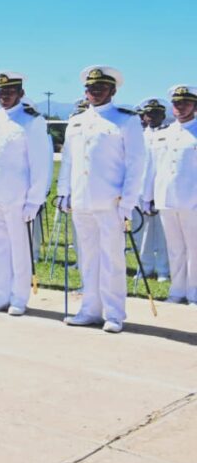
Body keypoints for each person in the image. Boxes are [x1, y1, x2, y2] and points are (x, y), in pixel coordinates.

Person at [57, 66, 145, 333]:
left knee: (112, 260)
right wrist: (63, 192)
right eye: (90, 88)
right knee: (88, 258)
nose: (94, 92)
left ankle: (114, 314)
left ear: (113, 90)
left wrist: (128, 203)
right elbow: (69, 161)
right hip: (81, 200)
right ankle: (90, 309)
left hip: (111, 203)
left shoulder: (126, 120)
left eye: (100, 88)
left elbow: (136, 164)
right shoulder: (76, 121)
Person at [0, 72, 52, 316]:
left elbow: (40, 164)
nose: (4, 96)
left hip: (18, 197)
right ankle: (1, 295)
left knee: (20, 249)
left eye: (10, 91)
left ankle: (19, 298)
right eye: (0, 92)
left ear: (20, 93)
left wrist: (34, 200)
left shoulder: (31, 121)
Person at [142, 85, 197, 305]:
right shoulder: (163, 134)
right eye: (176, 103)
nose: (180, 107)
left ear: (194, 105)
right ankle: (177, 290)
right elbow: (151, 169)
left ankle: (193, 292)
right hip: (166, 199)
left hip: (192, 199)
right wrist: (147, 197)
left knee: (194, 249)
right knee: (174, 248)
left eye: (185, 102)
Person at [135, 97, 171, 282]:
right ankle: (144, 267)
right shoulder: (138, 135)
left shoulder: (170, 134)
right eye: (149, 113)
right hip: (139, 191)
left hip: (160, 191)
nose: (152, 116)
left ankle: (163, 269)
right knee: (142, 232)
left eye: (156, 113)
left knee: (163, 233)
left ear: (163, 115)